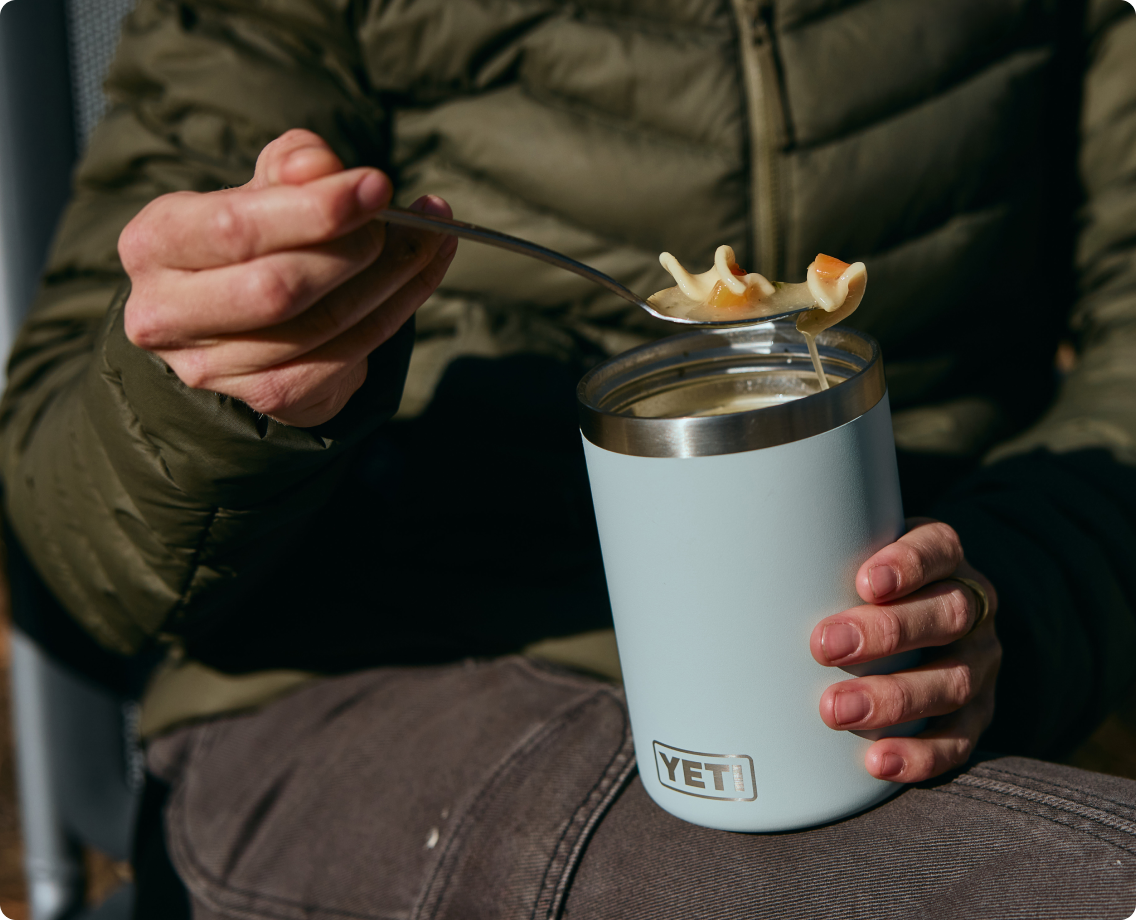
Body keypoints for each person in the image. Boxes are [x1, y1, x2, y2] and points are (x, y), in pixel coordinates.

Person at [1, 0, 1135, 916]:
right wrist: (209, 386)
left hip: (879, 701)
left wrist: (1013, 597)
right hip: (394, 683)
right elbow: (68, 565)